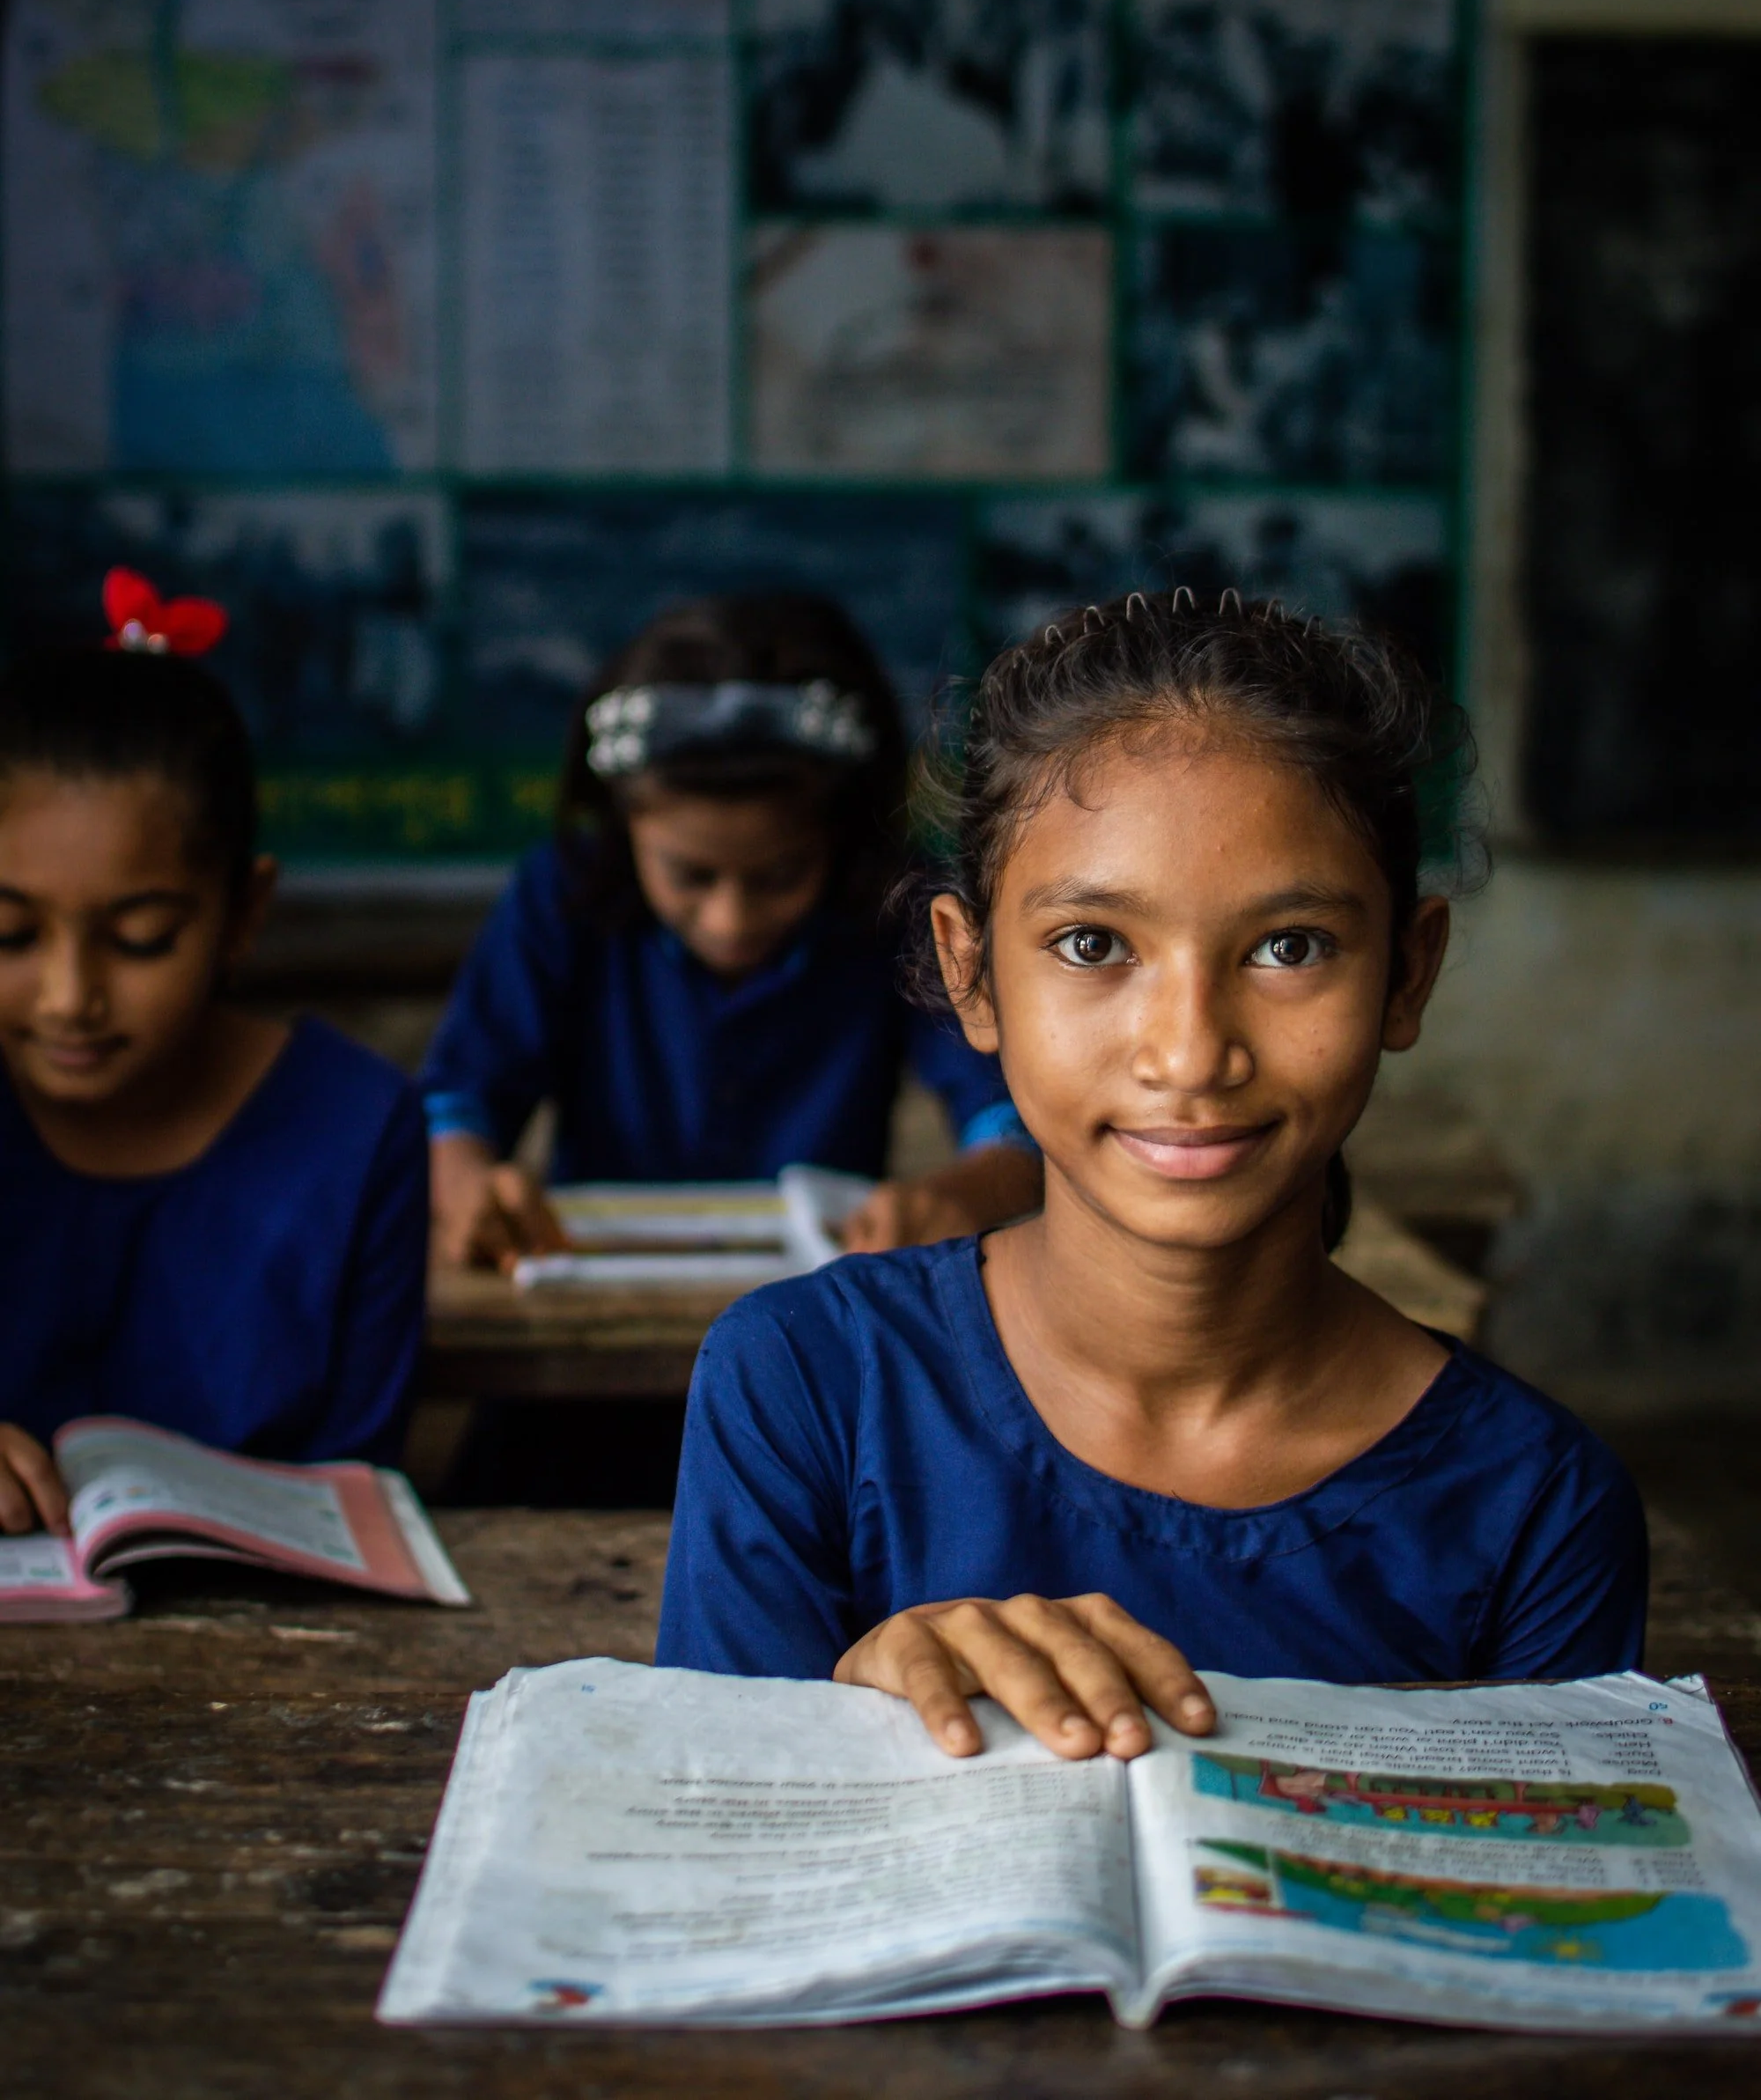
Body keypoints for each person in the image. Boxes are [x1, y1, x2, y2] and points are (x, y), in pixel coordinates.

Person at [657, 589, 1647, 1758]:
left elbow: (1552, 1918)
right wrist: (859, 1700)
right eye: (1094, 945)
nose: (1189, 1053)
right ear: (970, 976)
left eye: (1291, 948)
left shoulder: (1533, 1504)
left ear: (1406, 976)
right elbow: (721, 1839)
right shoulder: (808, 1384)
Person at [422, 594, 1043, 1271]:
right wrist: (465, 1184)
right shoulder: (563, 894)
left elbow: (1012, 1114)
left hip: (818, 1303)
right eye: (690, 876)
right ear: (621, 824)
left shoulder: (897, 907)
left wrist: (959, 1196)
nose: (730, 919)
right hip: (588, 1292)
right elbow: (462, 1097)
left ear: (843, 832)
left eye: (780, 875)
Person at [0, 597, 428, 1536]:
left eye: (143, 939)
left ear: (243, 911)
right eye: (12, 934)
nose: (70, 996)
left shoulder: (357, 1128)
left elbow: (356, 1488)